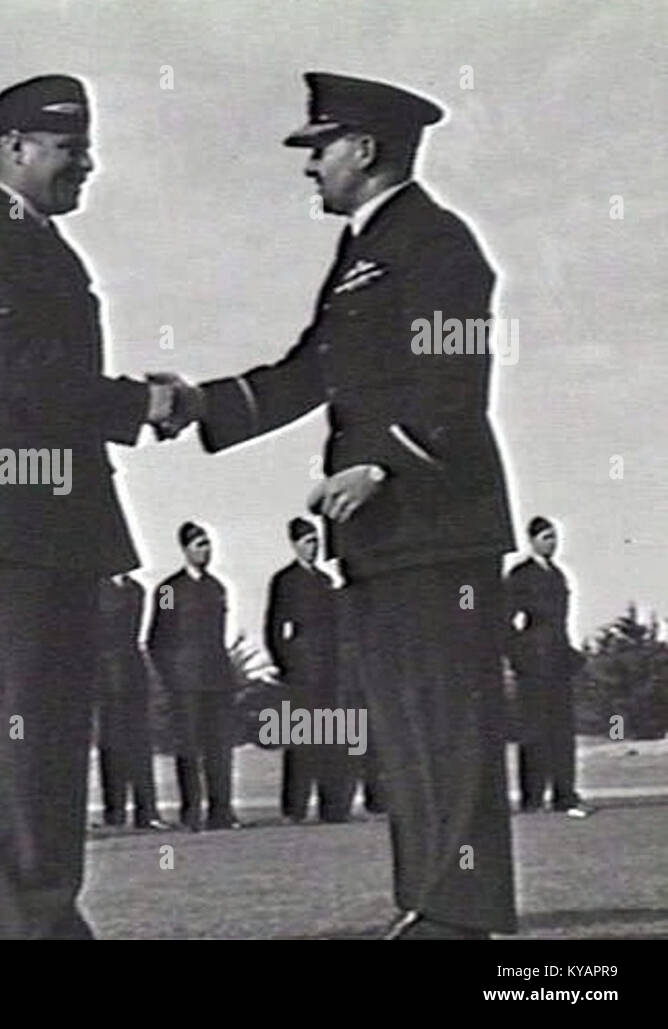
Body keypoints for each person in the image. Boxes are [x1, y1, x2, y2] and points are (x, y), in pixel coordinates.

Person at [184, 72, 518, 938]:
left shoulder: (437, 241)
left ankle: (461, 910)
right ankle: (432, 901)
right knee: (408, 728)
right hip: (386, 532)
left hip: (436, 524)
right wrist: (200, 405)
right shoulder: (371, 245)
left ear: (365, 150)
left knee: (445, 720)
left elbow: (458, 379)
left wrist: (381, 466)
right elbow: (313, 368)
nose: (311, 167)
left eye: (320, 148)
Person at [0, 74, 184, 937]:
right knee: (17, 740)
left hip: (56, 526)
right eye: (71, 149)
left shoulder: (35, 245)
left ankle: (46, 921)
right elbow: (17, 380)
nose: (87, 164)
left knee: (52, 745)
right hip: (15, 525)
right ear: (16, 149)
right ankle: (24, 926)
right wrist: (134, 405)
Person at [146, 522, 239, 832]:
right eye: (199, 545)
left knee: (219, 748)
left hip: (216, 678)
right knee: (189, 748)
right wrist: (171, 676)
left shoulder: (216, 587)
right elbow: (157, 638)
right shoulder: (170, 590)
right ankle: (191, 813)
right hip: (185, 681)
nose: (205, 551)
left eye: (208, 545)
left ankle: (221, 811)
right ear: (185, 549)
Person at [265, 518, 350, 823]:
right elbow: (274, 626)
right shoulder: (285, 580)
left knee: (332, 737)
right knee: (302, 739)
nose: (312, 547)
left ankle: (334, 806)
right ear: (295, 543)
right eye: (307, 541)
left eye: (315, 541)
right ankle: (295, 807)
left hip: (330, 664)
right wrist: (286, 662)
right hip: (302, 664)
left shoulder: (325, 580)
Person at [505, 516, 591, 818]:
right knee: (534, 730)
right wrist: (520, 653)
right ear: (532, 540)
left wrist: (569, 652)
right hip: (533, 660)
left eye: (554, 537)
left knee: (561, 730)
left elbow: (562, 620)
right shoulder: (520, 575)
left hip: (557, 657)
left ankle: (564, 794)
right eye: (545, 537)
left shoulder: (558, 575)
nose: (551, 543)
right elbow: (504, 621)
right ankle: (532, 796)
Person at [94, 573, 166, 831]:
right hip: (105, 672)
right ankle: (115, 811)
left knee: (138, 743)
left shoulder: (135, 589)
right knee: (112, 742)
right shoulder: (96, 589)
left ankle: (145, 810)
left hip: (130, 671)